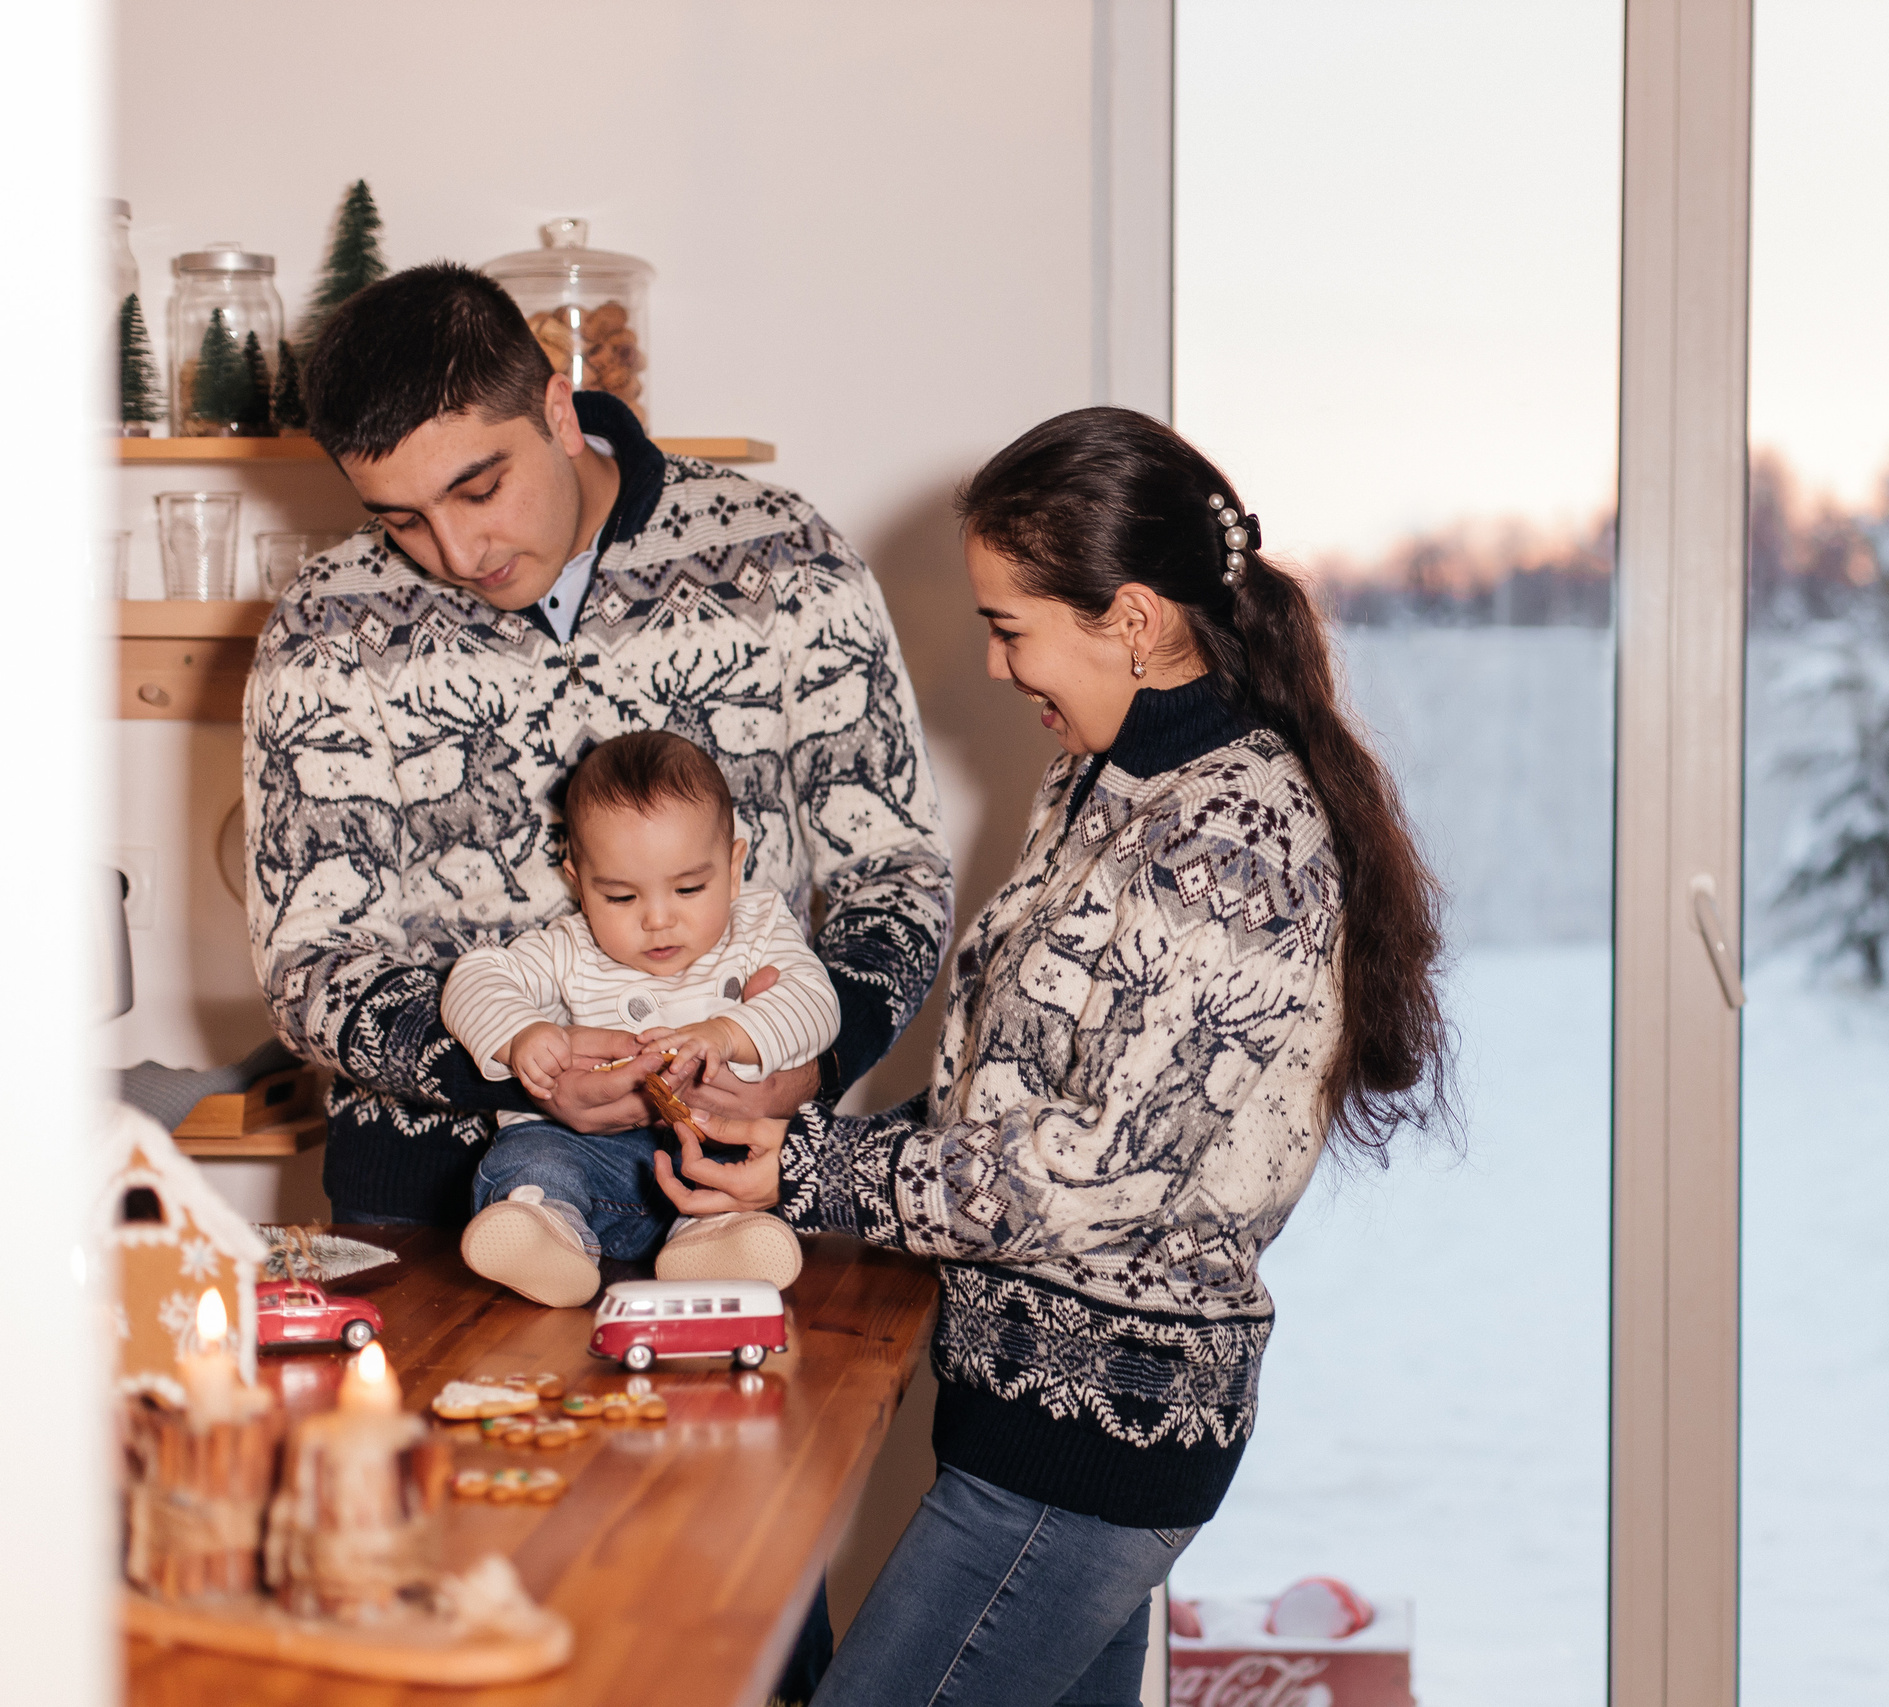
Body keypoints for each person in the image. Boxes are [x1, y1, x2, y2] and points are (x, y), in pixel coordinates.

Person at [652, 407, 1455, 1707]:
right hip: (1030, 1422)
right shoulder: (1104, 780)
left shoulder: (1233, 838)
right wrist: (792, 1138)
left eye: (1011, 622)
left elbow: (1088, 1172)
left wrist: (804, 1171)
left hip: (1089, 1448)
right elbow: (1015, 1089)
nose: (992, 659)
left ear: (1130, 618)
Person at [243, 263, 952, 1230]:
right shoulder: (323, 627)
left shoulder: (784, 557)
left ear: (558, 411)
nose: (456, 551)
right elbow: (308, 962)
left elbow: (896, 876)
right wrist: (511, 1065)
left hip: (736, 1186)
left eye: (480, 487)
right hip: (425, 1211)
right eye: (401, 518)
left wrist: (808, 1063)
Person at [444, 730, 833, 1307]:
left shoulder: (757, 929)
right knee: (532, 1156)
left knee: (752, 1170)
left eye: (689, 888)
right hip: (586, 1156)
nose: (657, 919)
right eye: (621, 898)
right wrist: (518, 1034)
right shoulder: (568, 947)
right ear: (577, 882)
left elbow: (816, 1004)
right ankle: (546, 1230)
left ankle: (713, 1244)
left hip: (708, 1150)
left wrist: (730, 1033)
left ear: (734, 866)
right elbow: (471, 980)